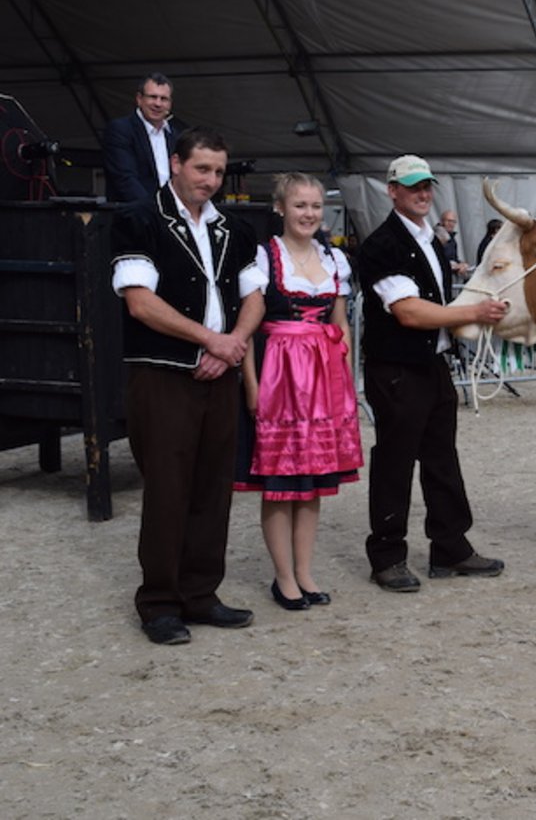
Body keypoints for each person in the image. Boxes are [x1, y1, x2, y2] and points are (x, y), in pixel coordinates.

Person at [111, 127, 267, 645]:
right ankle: (159, 602)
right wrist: (209, 340)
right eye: (202, 169)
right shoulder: (140, 219)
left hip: (219, 372)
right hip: (163, 374)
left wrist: (233, 344)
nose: (211, 180)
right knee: (169, 488)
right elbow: (140, 301)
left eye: (219, 172)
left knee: (212, 487)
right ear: (176, 163)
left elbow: (255, 298)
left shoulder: (233, 229)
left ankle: (201, 593)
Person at [356, 155, 510, 592]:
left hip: (433, 363)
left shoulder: (432, 239)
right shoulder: (382, 245)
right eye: (413, 186)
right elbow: (407, 311)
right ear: (393, 191)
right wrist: (471, 311)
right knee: (395, 461)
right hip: (397, 368)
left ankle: (450, 545)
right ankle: (387, 555)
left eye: (427, 185)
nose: (423, 193)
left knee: (442, 458)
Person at [235, 173, 361, 611]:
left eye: (314, 206)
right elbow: (248, 331)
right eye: (299, 206)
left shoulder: (334, 259)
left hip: (322, 381)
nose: (308, 214)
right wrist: (251, 387)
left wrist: (342, 380)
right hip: (279, 377)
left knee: (312, 484)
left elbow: (339, 323)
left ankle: (305, 571)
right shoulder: (263, 258)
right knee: (281, 482)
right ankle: (283, 577)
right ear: (280, 209)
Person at [103, 72, 185, 204]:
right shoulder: (120, 130)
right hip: (134, 216)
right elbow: (125, 179)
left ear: (170, 104)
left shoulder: (176, 136)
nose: (158, 104)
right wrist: (155, 213)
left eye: (164, 99)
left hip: (170, 217)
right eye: (153, 97)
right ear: (139, 99)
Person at [434, 210, 469, 278]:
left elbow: (454, 258)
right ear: (442, 221)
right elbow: (436, 260)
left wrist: (461, 264)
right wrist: (455, 266)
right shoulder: (436, 236)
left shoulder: (452, 238)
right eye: (449, 221)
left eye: (453, 221)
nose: (451, 224)